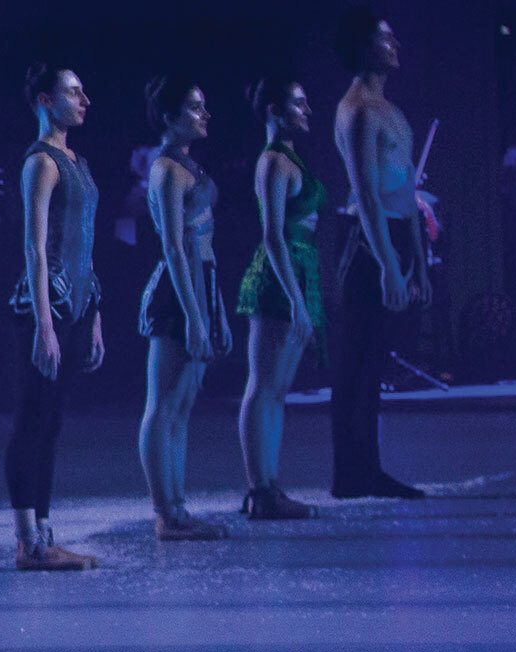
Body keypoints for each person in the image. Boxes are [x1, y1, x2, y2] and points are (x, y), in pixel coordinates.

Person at [8, 64, 108, 570]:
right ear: (46, 100)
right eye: (73, 91)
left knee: (50, 424)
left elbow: (85, 245)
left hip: (75, 305)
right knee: (33, 420)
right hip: (44, 307)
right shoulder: (41, 163)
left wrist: (93, 315)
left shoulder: (77, 161)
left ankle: (44, 535)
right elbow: (35, 248)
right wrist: (45, 325)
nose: (84, 98)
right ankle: (29, 542)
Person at [329, 8, 429, 498]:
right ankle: (352, 472)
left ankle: (366, 466)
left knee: (375, 361)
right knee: (357, 362)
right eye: (385, 38)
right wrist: (388, 262)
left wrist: (418, 261)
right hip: (369, 241)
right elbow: (365, 193)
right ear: (364, 46)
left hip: (396, 235)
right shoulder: (359, 109)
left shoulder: (391, 109)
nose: (395, 45)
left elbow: (405, 185)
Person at [134, 78, 232, 541]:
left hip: (201, 282)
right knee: (165, 403)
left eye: (204, 105)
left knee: (184, 403)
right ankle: (166, 512)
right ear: (171, 118)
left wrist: (216, 312)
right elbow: (173, 246)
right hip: (179, 290)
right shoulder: (167, 170)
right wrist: (195, 316)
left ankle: (178, 507)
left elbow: (203, 245)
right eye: (194, 107)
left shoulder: (190, 166)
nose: (205, 114)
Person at [235, 77, 326, 520]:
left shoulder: (289, 159)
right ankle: (260, 489)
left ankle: (269, 484)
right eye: (298, 103)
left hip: (300, 269)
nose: (307, 110)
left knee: (278, 388)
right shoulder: (272, 162)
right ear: (274, 110)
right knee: (264, 385)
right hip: (280, 275)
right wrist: (294, 296)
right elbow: (271, 234)